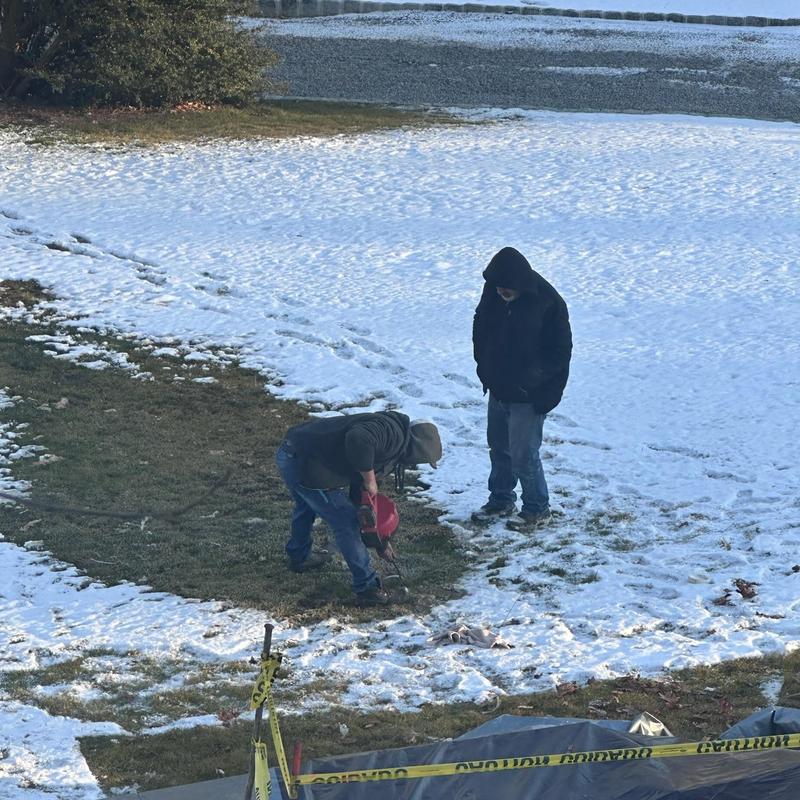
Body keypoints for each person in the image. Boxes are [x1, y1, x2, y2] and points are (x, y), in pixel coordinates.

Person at [275, 412, 442, 606]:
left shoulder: (391, 443)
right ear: (417, 451)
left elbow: (361, 498)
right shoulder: (391, 433)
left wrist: (381, 542)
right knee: (346, 522)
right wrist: (370, 480)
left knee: (307, 506)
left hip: (297, 452)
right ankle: (367, 589)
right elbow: (358, 439)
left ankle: (299, 557)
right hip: (303, 460)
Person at [471, 246, 572, 531]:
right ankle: (501, 499)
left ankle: (537, 508)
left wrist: (532, 380)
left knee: (524, 454)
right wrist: (484, 364)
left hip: (529, 395)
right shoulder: (493, 289)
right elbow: (480, 324)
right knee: (499, 448)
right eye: (498, 286)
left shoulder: (549, 302)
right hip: (498, 386)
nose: (501, 291)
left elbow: (560, 352)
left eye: (507, 287)